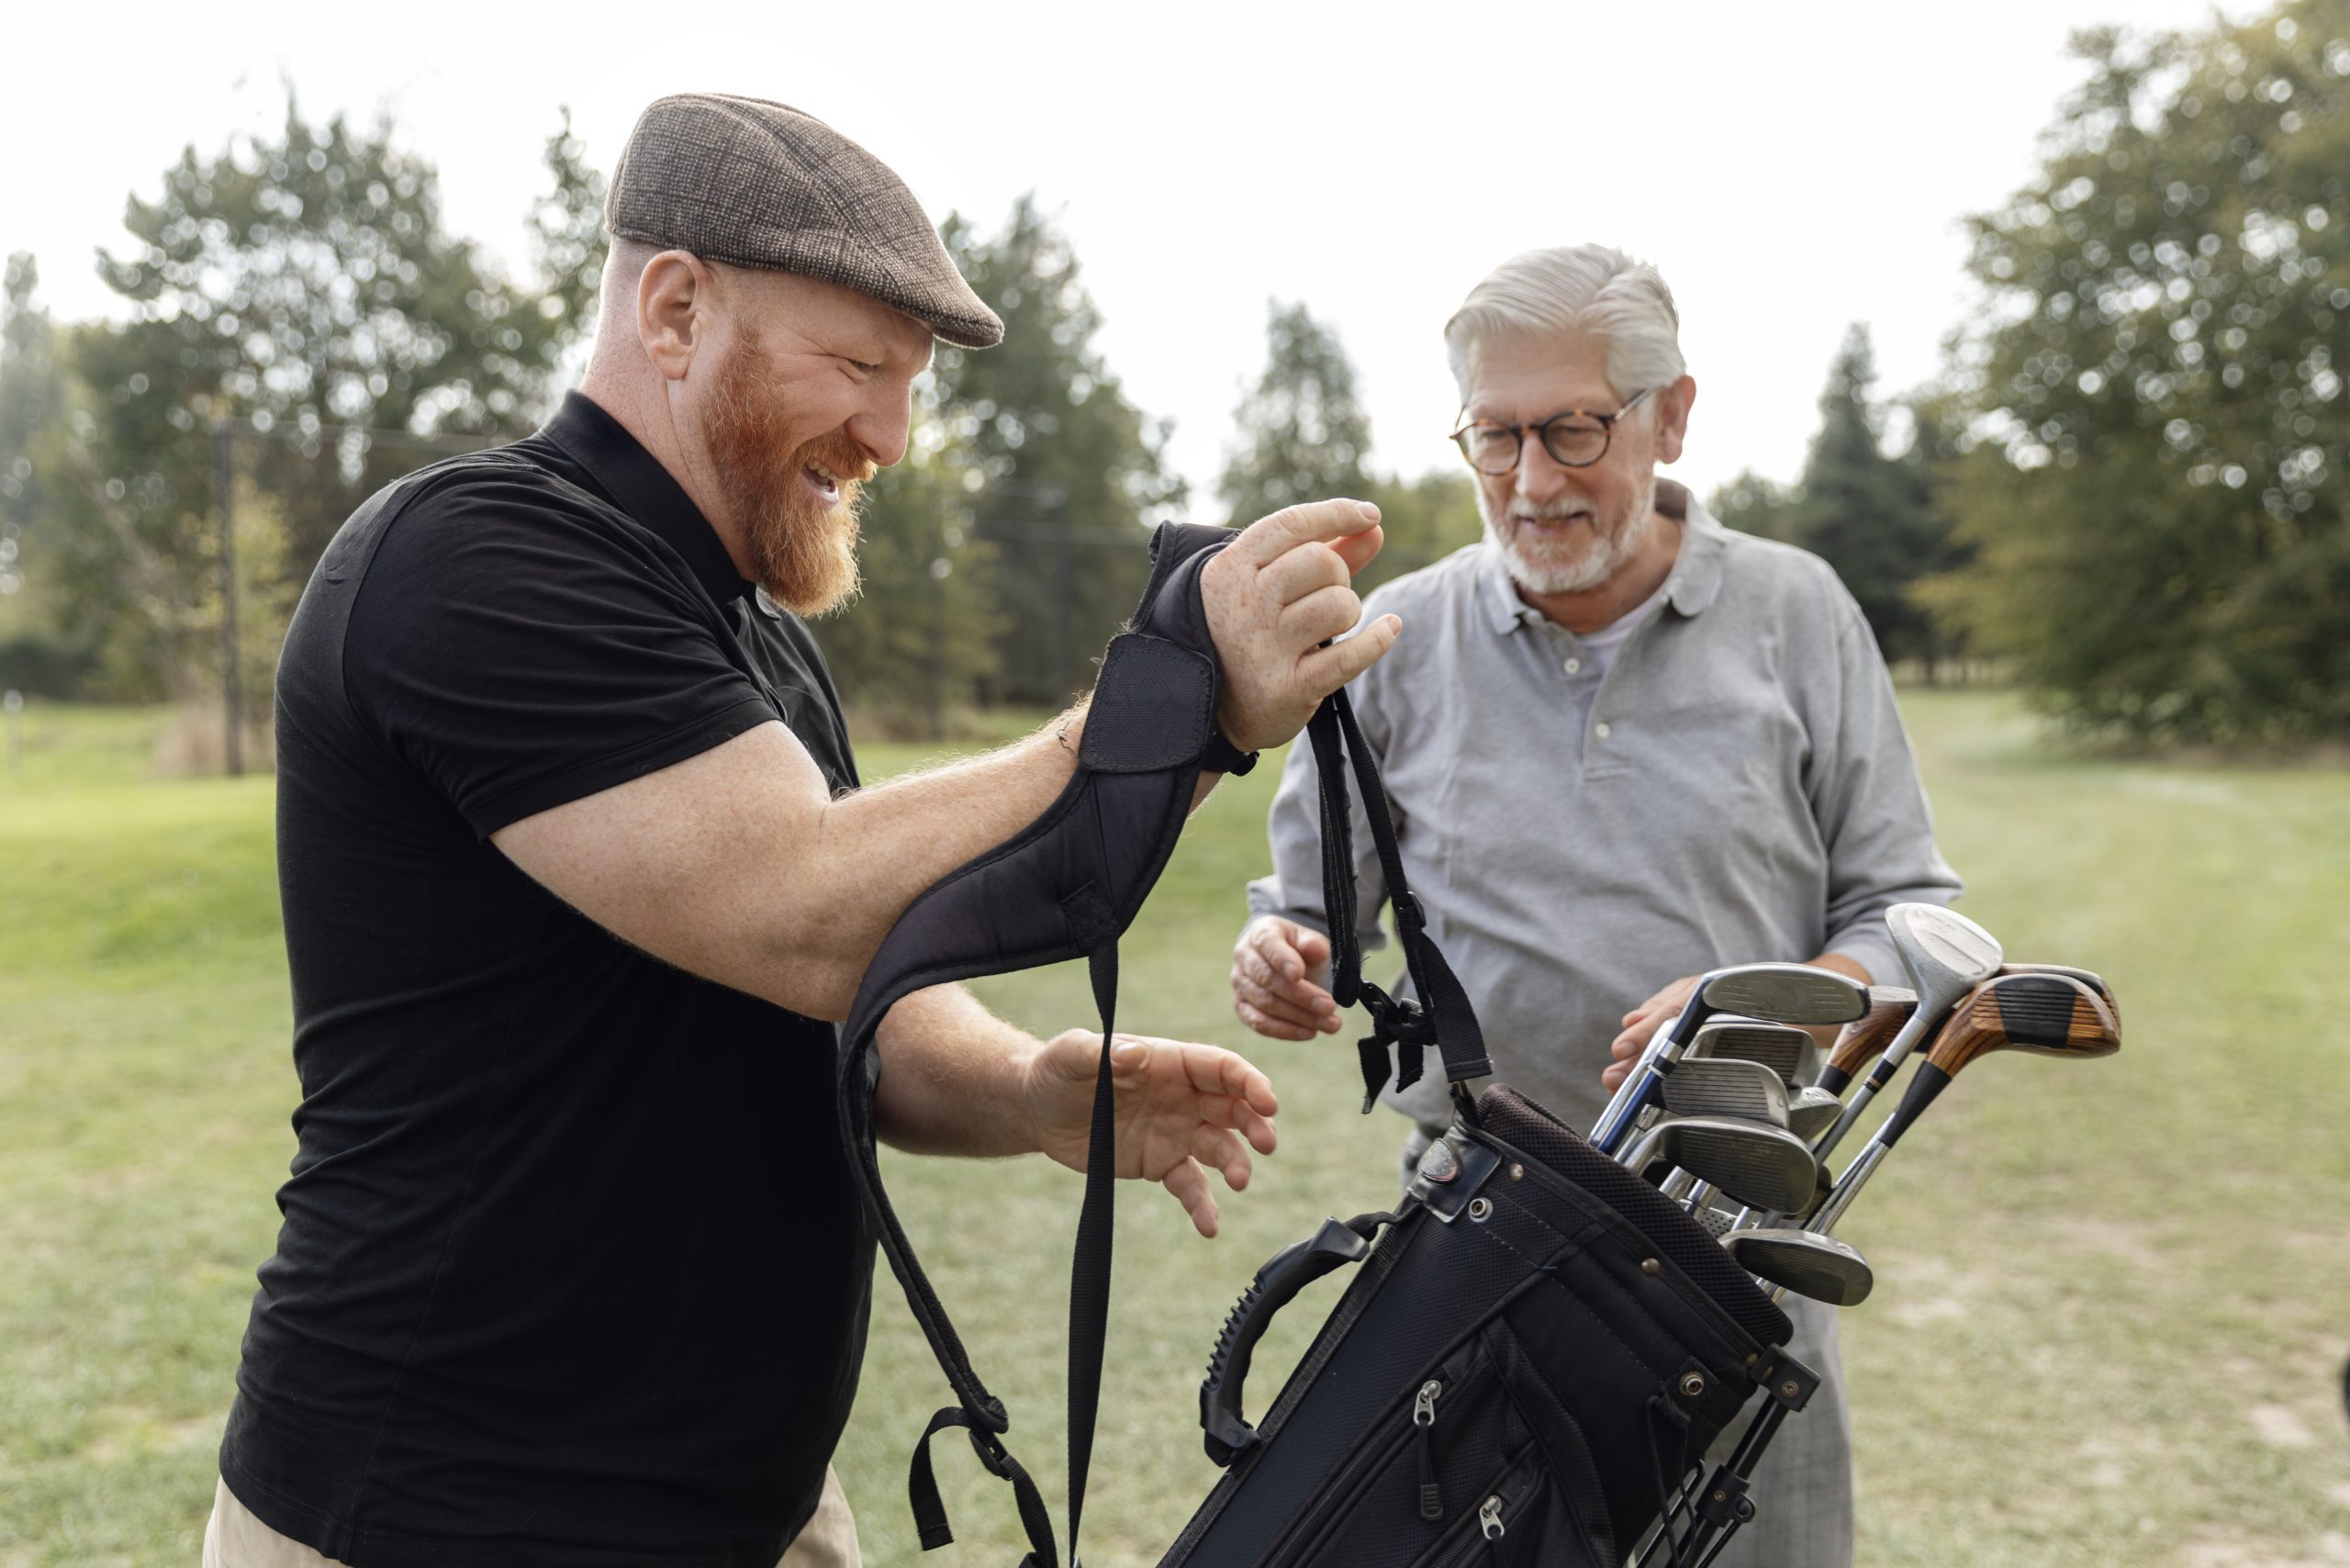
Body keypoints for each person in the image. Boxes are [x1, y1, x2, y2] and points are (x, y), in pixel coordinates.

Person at [206, 93, 1401, 1568]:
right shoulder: (476, 560)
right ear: (674, 307)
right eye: (857, 366)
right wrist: (1164, 704)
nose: (891, 435)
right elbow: (797, 901)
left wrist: (1025, 1087)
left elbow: (856, 984)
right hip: (452, 1504)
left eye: (911, 385)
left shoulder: (751, 639)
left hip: (746, 1505)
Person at [1231, 244, 1964, 1567]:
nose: (1529, 481)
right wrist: (1284, 953)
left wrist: (1760, 1014)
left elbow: (1904, 910)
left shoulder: (1800, 614)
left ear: (1671, 414)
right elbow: (1307, 912)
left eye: (1574, 429)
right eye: (1496, 435)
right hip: (1473, 1228)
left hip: (1739, 1243)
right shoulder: (1393, 643)